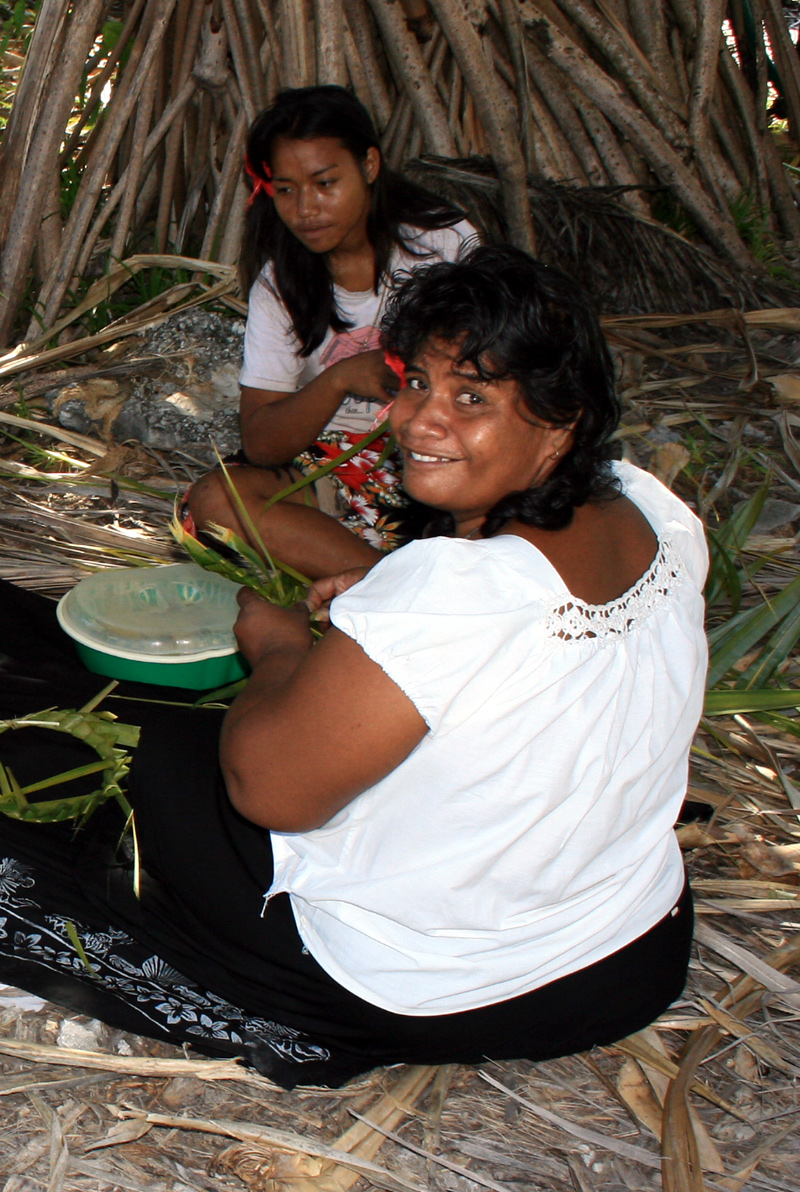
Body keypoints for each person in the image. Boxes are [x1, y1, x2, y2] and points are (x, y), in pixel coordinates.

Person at [0, 246, 707, 1090]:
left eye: (471, 397)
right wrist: (381, 613)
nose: (419, 421)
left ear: (562, 419)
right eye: (416, 384)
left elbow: (270, 792)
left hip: (442, 981)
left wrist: (281, 648)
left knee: (132, 749)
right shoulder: (654, 510)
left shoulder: (455, 591)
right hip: (628, 946)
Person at [185, 85, 475, 578]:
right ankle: (384, 584)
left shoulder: (443, 245)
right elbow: (262, 444)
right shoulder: (279, 287)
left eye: (325, 183)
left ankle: (368, 573)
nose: (306, 209)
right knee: (212, 503)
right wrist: (338, 379)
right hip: (341, 471)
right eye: (287, 190)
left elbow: (491, 378)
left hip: (439, 455)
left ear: (369, 166)